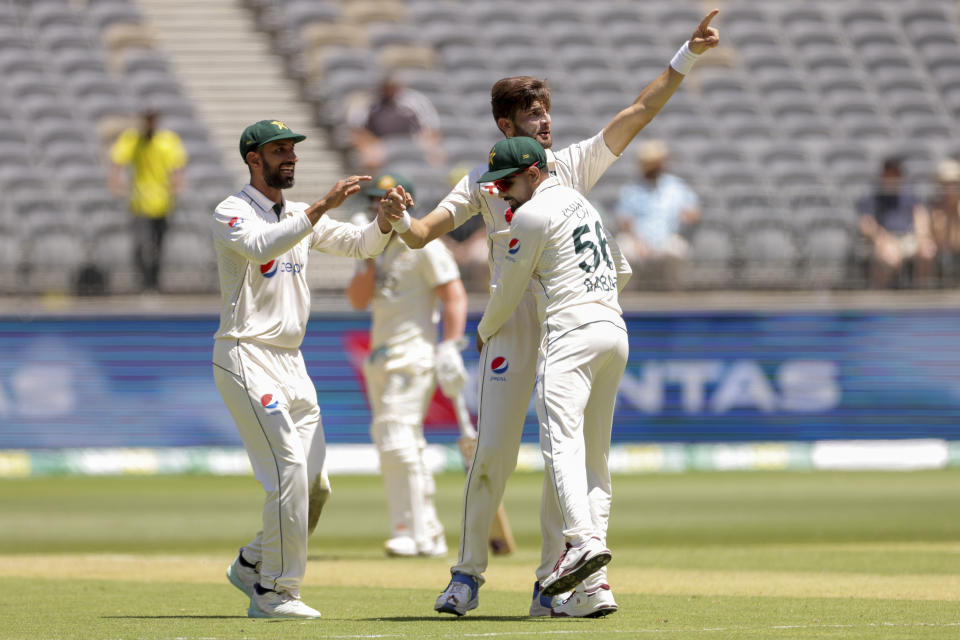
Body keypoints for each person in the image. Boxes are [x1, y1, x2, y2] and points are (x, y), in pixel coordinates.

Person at [379, 10, 720, 618]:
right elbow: (422, 233)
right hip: (512, 326)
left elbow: (638, 113)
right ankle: (466, 574)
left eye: (547, 111)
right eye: (534, 114)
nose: (546, 121)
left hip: (567, 319)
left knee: (563, 456)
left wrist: (686, 55)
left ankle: (548, 583)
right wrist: (395, 219)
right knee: (494, 454)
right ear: (507, 123)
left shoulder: (568, 165)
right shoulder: (483, 183)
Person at [212, 119, 394, 619]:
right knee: (287, 467)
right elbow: (259, 247)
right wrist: (320, 209)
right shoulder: (231, 211)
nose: (290, 157)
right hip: (245, 352)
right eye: (279, 150)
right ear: (254, 159)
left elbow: (361, 246)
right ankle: (274, 592)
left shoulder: (297, 214)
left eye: (293, 149)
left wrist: (385, 221)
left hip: (292, 361)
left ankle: (252, 561)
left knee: (315, 487)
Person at [475, 135, 627, 609]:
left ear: (535, 173)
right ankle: (593, 587)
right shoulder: (584, 206)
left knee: (561, 443)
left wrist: (484, 330)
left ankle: (581, 541)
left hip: (570, 332)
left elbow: (507, 292)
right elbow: (622, 270)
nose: (500, 192)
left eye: (507, 181)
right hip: (613, 328)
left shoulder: (532, 214)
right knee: (594, 457)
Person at [345, 172, 468, 558]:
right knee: (396, 443)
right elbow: (357, 300)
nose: (375, 210)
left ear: (406, 204)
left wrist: (449, 346)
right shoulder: (374, 247)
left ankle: (411, 531)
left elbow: (454, 296)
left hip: (413, 355)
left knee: (396, 435)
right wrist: (367, 256)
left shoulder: (424, 245)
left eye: (384, 202)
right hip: (381, 357)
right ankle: (425, 531)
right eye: (372, 203)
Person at [108, 109, 188, 293]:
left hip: (163, 202)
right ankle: (142, 282)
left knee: (159, 244)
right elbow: (117, 161)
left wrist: (177, 183)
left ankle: (155, 282)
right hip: (140, 202)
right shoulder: (132, 140)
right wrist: (116, 181)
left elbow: (178, 166)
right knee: (141, 243)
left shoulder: (167, 141)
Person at [614, 139, 701, 290]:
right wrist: (637, 242)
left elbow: (693, 211)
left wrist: (688, 215)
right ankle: (628, 298)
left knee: (676, 250)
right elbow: (624, 221)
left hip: (668, 238)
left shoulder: (676, 186)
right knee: (623, 249)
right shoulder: (631, 189)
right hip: (638, 242)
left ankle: (674, 295)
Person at [857, 156, 937, 288]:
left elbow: (920, 214)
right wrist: (881, 237)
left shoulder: (909, 193)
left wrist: (922, 237)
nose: (891, 177)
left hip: (909, 237)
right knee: (890, 256)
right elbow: (865, 223)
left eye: (895, 173)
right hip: (884, 239)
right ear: (882, 174)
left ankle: (922, 294)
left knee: (927, 251)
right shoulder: (873, 195)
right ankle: (881, 295)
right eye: (888, 173)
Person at [346, 72, 445, 173]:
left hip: (412, 142)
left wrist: (425, 145)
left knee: (436, 156)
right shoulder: (367, 102)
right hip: (379, 144)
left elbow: (432, 128)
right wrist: (372, 145)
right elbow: (357, 132)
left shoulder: (415, 101)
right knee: (370, 157)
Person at [929, 158, 960, 284]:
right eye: (946, 184)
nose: (950, 188)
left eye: (953, 183)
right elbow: (936, 239)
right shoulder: (934, 209)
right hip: (941, 255)